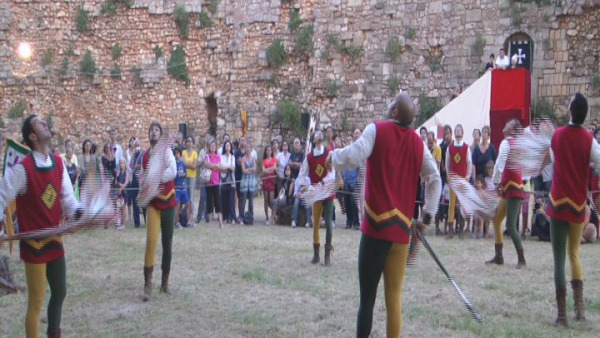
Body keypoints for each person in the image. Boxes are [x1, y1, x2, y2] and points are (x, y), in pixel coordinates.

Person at [329, 93, 441, 337]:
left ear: (395, 112)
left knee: (367, 301)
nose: (388, 105)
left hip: (375, 231)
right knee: (394, 299)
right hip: (401, 234)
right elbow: (435, 180)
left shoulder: (375, 130)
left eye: (391, 103)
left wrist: (331, 158)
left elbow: (355, 155)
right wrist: (426, 218)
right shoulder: (417, 143)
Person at [0, 115, 82, 338]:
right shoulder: (22, 169)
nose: (45, 123)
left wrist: (78, 213)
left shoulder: (58, 163)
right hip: (34, 244)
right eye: (38, 122)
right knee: (36, 302)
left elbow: (67, 199)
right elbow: (1, 195)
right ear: (33, 136)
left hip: (54, 240)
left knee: (60, 291)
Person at [546, 93, 599, 326]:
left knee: (558, 259)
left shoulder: (557, 135)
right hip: (578, 205)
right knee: (574, 253)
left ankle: (562, 315)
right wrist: (588, 166)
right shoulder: (590, 139)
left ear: (570, 111)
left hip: (558, 203)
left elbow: (553, 161)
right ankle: (579, 310)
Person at [141, 122, 177, 301]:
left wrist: (156, 180)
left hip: (168, 200)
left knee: (167, 242)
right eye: (151, 130)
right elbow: (142, 176)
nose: (153, 132)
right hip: (153, 203)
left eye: (156, 130)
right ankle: (147, 284)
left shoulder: (167, 152)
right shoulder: (145, 156)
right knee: (151, 241)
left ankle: (165, 283)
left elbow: (173, 171)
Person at [486, 119, 527, 269]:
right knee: (497, 220)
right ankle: (499, 256)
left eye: (508, 123)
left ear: (512, 130)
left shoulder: (507, 143)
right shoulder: (518, 145)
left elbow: (499, 164)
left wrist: (497, 183)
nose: (505, 124)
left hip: (512, 188)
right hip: (512, 187)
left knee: (510, 225)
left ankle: (522, 259)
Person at [298, 130, 336, 266]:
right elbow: (302, 174)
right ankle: (316, 255)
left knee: (329, 224)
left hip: (328, 192)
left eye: (320, 135)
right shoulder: (309, 157)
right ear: (314, 140)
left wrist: (323, 184)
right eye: (317, 135)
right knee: (315, 225)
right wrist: (303, 186)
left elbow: (332, 173)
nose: (319, 137)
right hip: (316, 194)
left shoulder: (328, 153)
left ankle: (327, 256)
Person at [445, 124, 471, 239]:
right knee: (451, 205)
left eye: (460, 130)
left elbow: (469, 162)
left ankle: (460, 229)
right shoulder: (450, 147)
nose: (458, 131)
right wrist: (448, 175)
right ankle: (450, 230)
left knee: (462, 204)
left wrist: (468, 176)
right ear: (454, 132)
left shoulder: (466, 147)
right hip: (453, 179)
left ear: (463, 132)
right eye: (456, 130)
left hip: (462, 180)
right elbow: (447, 163)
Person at [204, 140, 223, 228]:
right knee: (209, 202)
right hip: (208, 182)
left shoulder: (218, 157)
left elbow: (219, 167)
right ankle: (210, 223)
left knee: (218, 201)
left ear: (216, 148)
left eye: (214, 146)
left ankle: (220, 222)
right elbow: (206, 165)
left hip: (216, 181)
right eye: (211, 145)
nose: (213, 147)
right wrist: (214, 166)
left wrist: (212, 166)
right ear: (209, 147)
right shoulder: (206, 156)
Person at [239, 147, 258, 225]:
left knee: (251, 201)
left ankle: (251, 217)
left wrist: (248, 170)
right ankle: (241, 218)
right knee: (243, 200)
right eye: (246, 149)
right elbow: (243, 170)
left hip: (252, 182)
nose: (247, 150)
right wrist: (251, 169)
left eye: (249, 148)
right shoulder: (243, 159)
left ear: (251, 150)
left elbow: (255, 169)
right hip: (245, 182)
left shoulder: (253, 158)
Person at [220, 141, 236, 224]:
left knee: (231, 200)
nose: (227, 146)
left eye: (229, 145)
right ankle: (225, 217)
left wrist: (226, 167)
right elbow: (221, 167)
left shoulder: (233, 157)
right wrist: (228, 167)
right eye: (226, 145)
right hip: (223, 181)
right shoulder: (221, 157)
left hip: (231, 181)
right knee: (224, 200)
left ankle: (232, 217)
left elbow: (233, 168)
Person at [183, 137, 198, 224]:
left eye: (191, 141)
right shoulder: (183, 152)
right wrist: (190, 165)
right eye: (188, 141)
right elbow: (184, 164)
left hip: (192, 177)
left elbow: (194, 166)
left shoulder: (195, 153)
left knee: (191, 198)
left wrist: (187, 164)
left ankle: (191, 218)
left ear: (193, 143)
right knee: (186, 198)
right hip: (185, 177)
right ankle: (185, 217)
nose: (189, 143)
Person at [173, 147, 189, 229]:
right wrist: (178, 175)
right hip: (177, 187)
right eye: (175, 153)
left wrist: (184, 175)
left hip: (183, 186)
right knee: (177, 205)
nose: (177, 155)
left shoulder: (182, 163)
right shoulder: (173, 164)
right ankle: (177, 222)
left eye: (178, 153)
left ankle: (188, 221)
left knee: (187, 203)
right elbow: (172, 175)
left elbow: (185, 173)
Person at [262, 145, 277, 225]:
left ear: (271, 151)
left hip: (272, 180)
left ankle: (273, 215)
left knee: (271, 200)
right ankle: (267, 216)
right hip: (265, 180)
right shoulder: (264, 160)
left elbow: (274, 168)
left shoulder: (274, 159)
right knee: (266, 200)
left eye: (270, 150)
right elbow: (263, 170)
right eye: (267, 150)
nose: (268, 151)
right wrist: (269, 169)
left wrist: (267, 169)